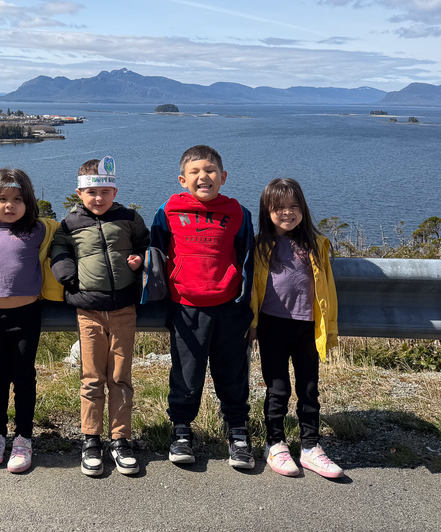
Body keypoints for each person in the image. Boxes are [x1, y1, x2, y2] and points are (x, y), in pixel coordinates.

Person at [147, 145, 256, 468]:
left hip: (229, 307)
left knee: (232, 375)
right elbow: (157, 253)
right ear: (182, 179)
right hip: (186, 308)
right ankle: (181, 431)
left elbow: (247, 259)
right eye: (194, 172)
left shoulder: (238, 212)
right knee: (186, 375)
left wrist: (246, 308)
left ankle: (237, 432)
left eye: (209, 171)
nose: (202, 177)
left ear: (223, 177)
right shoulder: (167, 211)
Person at [51, 156, 149, 476]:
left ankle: (120, 440)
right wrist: (66, 275)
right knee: (92, 378)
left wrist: (140, 261)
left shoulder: (130, 218)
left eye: (105, 192)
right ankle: (91, 438)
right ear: (80, 193)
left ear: (115, 191)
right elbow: (60, 251)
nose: (99, 198)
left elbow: (147, 246)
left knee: (121, 377)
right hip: (89, 311)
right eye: (92, 193)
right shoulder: (70, 223)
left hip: (124, 309)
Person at [0, 168, 61, 474]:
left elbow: (75, 237)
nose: (9, 205)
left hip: (27, 315)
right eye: (2, 198)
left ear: (29, 202)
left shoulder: (41, 230)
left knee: (24, 377)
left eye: (17, 199)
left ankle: (24, 437)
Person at [251, 178, 344, 479]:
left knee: (309, 389)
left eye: (294, 206)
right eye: (279, 208)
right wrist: (251, 326)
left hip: (307, 327)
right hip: (272, 326)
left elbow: (327, 288)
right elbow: (252, 289)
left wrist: (328, 327)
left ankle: (310, 447)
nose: (287, 213)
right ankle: (275, 443)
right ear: (267, 211)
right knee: (277, 389)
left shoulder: (316, 244)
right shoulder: (260, 245)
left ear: (303, 208)